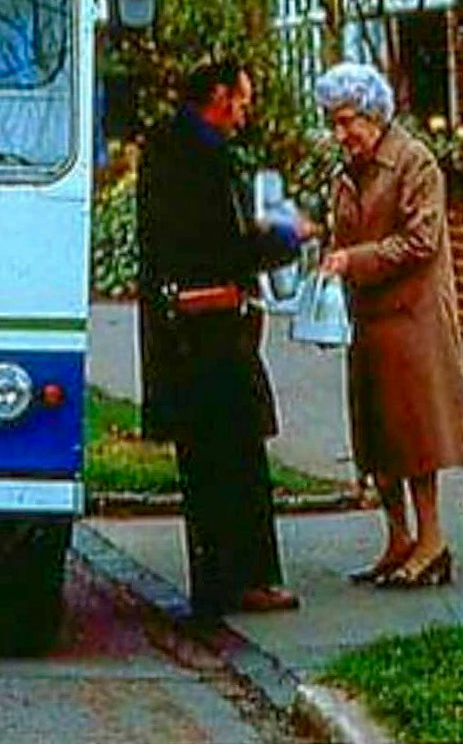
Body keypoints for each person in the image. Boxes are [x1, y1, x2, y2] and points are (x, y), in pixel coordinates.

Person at [137, 60, 311, 618]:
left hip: (180, 329)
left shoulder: (167, 147)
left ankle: (215, 580)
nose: (245, 112)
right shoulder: (202, 157)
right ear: (217, 95)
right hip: (210, 329)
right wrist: (286, 239)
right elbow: (221, 245)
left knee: (205, 461)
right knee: (236, 456)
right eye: (241, 99)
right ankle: (247, 579)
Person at [315, 62, 463, 588]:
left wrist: (352, 260)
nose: (340, 134)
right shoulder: (349, 171)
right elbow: (343, 233)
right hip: (369, 319)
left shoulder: (414, 163)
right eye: (334, 123)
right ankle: (398, 538)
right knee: (376, 435)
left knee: (415, 437)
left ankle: (432, 542)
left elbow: (421, 240)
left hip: (412, 321)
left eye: (347, 122)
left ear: (373, 114)